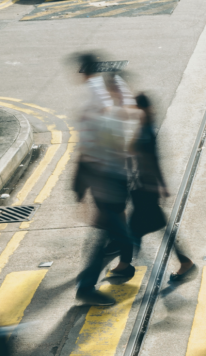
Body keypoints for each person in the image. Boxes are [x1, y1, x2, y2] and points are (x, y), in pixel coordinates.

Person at [72, 53, 137, 306]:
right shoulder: (102, 114)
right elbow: (89, 154)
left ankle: (90, 283)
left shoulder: (105, 109)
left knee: (110, 236)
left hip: (111, 182)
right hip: (107, 183)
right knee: (119, 236)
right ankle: (87, 286)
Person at [131, 93, 197, 282]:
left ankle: (184, 262)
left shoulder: (146, 131)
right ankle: (126, 264)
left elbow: (153, 161)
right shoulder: (144, 127)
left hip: (146, 188)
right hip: (143, 187)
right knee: (137, 230)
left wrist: (160, 185)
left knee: (138, 231)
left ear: (140, 108)